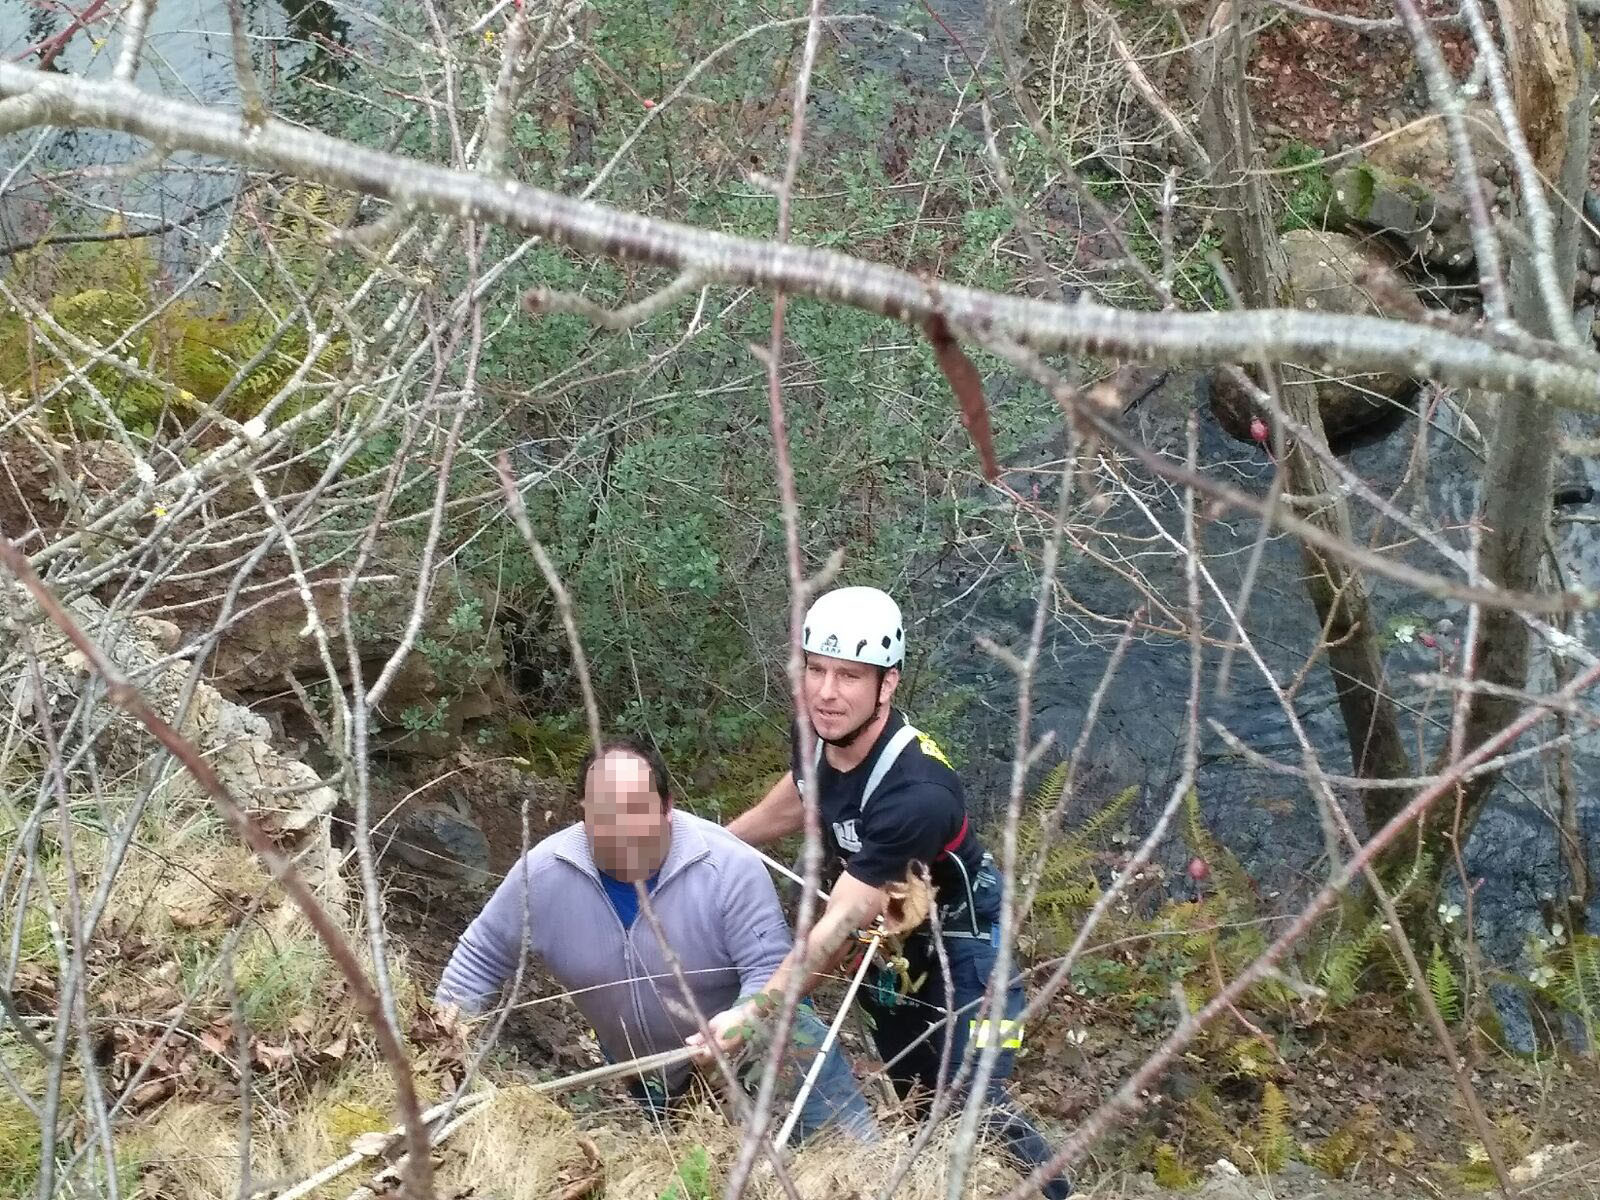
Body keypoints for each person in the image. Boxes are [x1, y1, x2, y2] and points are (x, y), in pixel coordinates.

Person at [711, 586, 1072, 1198]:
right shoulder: (821, 739)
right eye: (816, 670)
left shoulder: (918, 795)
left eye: (849, 676)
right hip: (897, 954)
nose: (826, 692)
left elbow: (837, 928)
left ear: (888, 684)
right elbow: (799, 796)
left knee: (975, 1096)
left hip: (978, 952)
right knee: (912, 1088)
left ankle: (1055, 1191)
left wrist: (758, 1011)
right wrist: (711, 846)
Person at [434, 736, 877, 1143]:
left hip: (766, 1048)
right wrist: (440, 1049)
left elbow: (769, 972)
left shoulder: (728, 865)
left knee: (845, 1159)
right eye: (602, 810)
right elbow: (480, 959)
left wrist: (737, 1025)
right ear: (583, 810)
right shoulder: (543, 874)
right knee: (701, 1176)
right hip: (645, 1070)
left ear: (667, 806)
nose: (618, 826)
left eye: (634, 808)